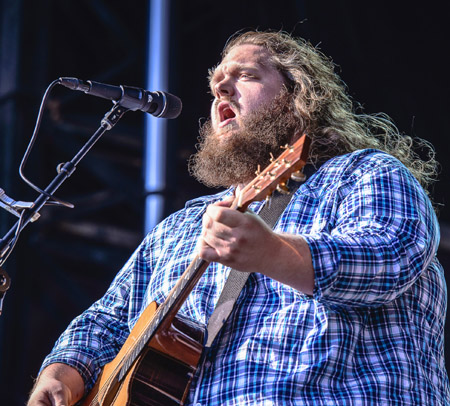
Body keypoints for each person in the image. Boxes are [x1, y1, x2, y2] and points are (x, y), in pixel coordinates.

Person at [28, 30, 449, 405]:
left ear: (298, 96)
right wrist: (62, 370)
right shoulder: (179, 226)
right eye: (214, 85)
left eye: (246, 75)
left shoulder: (362, 172)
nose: (221, 89)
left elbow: (391, 256)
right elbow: (110, 318)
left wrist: (273, 253)